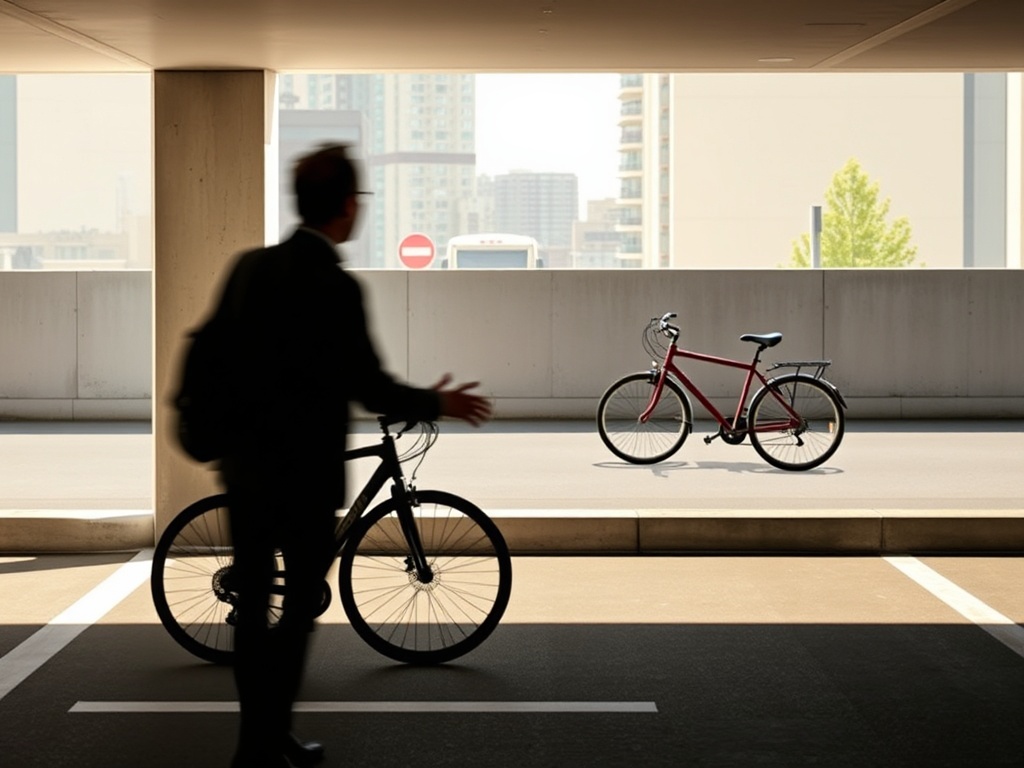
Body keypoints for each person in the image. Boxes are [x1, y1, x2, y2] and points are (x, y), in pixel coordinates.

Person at [209, 143, 491, 767]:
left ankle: (254, 742)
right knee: (298, 609)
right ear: (345, 207)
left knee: (255, 606)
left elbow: (219, 356)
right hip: (305, 476)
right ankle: (270, 736)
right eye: (359, 199)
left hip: (247, 467)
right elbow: (371, 386)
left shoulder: (249, 269)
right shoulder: (334, 287)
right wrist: (438, 401)